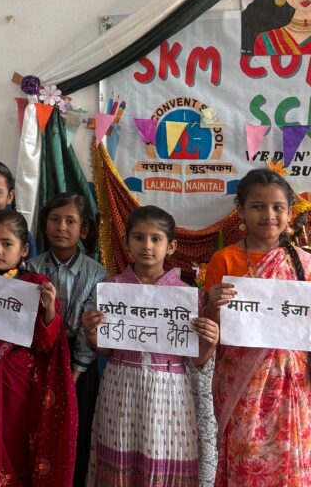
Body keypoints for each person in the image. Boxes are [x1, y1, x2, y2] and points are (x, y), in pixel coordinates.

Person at [81, 205, 218, 487]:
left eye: (156, 239)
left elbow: (196, 361)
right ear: (126, 242)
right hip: (121, 384)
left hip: (170, 389)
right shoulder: (112, 288)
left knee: (164, 457)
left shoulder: (186, 297)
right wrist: (93, 336)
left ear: (171, 246)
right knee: (119, 455)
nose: (147, 246)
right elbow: (108, 350)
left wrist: (210, 342)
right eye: (139, 237)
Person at [203, 168, 311, 485]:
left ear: (290, 213)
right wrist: (213, 304)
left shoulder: (305, 263)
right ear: (241, 210)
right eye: (258, 206)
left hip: (292, 383)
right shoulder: (224, 260)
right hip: (240, 384)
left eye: (278, 207)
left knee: (289, 460)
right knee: (246, 455)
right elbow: (210, 327)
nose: (269, 215)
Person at [0, 209, 75, 487]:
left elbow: (46, 344)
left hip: (16, 379)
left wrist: (49, 311)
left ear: (24, 249)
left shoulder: (35, 285)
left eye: (7, 244)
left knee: (12, 438)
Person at [25, 193, 107, 487]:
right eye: (55, 219)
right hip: (38, 356)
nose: (61, 227)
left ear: (83, 229)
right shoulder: (31, 268)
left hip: (79, 365)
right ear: (45, 224)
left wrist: (75, 372)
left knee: (77, 431)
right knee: (35, 426)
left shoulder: (97, 274)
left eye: (70, 221)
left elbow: (89, 327)